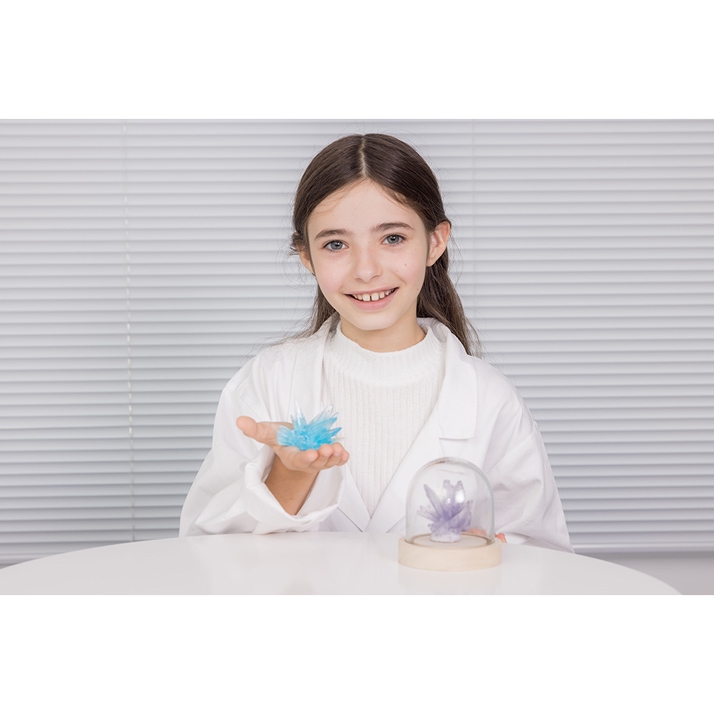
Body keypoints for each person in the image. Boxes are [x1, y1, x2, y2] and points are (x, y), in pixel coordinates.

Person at [179, 133, 572, 552]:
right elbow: (207, 553)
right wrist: (291, 474)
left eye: (392, 238)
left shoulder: (490, 399)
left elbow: (541, 557)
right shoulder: (268, 381)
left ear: (435, 242)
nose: (366, 270)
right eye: (336, 244)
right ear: (306, 256)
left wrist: (488, 552)